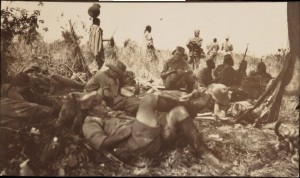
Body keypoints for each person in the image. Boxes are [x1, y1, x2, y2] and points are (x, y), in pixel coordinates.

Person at [82, 91, 231, 170]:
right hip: (134, 143)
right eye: (98, 104)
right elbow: (99, 143)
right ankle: (191, 106)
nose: (103, 105)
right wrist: (122, 134)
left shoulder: (112, 113)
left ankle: (205, 154)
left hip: (149, 137)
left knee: (178, 111)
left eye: (102, 102)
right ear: (90, 111)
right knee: (149, 99)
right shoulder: (90, 122)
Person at [88, 4, 105, 70]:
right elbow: (98, 41)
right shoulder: (98, 29)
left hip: (91, 49)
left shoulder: (91, 28)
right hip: (97, 51)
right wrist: (98, 51)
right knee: (100, 62)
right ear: (98, 22)